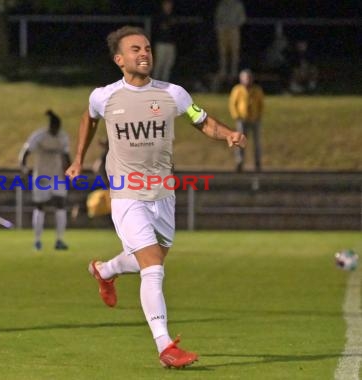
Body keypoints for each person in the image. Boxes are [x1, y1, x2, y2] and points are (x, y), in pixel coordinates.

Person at [65, 26, 246, 369]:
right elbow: (88, 120)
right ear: (119, 60)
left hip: (163, 193)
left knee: (152, 258)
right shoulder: (103, 96)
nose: (144, 53)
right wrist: (77, 159)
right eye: (135, 49)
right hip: (126, 193)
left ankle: (104, 271)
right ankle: (165, 346)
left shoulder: (173, 94)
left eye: (147, 48)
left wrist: (227, 135)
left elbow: (201, 120)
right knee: (153, 268)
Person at [20, 110, 71, 251]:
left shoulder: (62, 137)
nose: (56, 130)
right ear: (50, 126)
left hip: (57, 177)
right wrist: (23, 167)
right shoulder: (39, 136)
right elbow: (25, 152)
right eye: (54, 127)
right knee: (40, 207)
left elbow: (66, 157)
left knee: (60, 205)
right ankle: (37, 241)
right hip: (41, 176)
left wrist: (70, 173)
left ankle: (59, 240)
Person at [229, 69, 264, 172]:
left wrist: (259, 116)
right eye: (245, 78)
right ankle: (239, 162)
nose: (248, 80)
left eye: (249, 78)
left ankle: (257, 163)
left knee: (257, 142)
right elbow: (232, 104)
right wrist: (236, 116)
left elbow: (261, 104)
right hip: (242, 119)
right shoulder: (237, 90)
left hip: (254, 119)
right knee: (240, 142)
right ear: (241, 79)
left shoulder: (257, 90)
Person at [214, 0, 246, 84]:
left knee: (234, 52)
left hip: (233, 30)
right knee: (223, 52)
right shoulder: (222, 4)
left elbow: (242, 18)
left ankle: (234, 71)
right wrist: (219, 26)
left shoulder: (238, 4)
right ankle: (223, 71)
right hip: (223, 30)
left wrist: (234, 25)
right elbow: (217, 17)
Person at [152, 0, 179, 82]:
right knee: (159, 64)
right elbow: (158, 29)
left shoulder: (173, 16)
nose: (168, 7)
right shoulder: (159, 16)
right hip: (161, 44)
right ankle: (154, 83)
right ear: (163, 6)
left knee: (168, 65)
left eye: (170, 5)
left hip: (171, 44)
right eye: (166, 5)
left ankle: (164, 84)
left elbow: (176, 31)